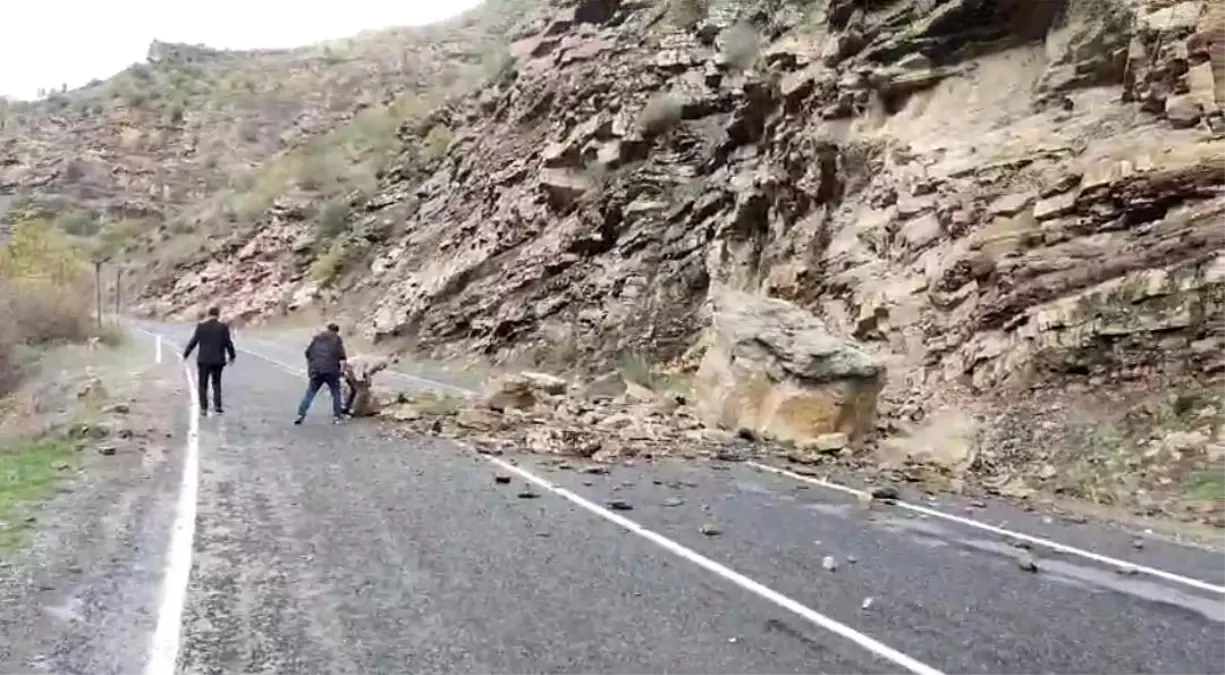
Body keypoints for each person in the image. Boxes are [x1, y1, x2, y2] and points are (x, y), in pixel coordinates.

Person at [182, 306, 236, 416]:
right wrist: (232, 356)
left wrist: (186, 354)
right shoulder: (223, 327)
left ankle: (203, 408)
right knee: (216, 383)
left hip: (203, 360)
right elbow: (228, 343)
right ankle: (217, 406)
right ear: (218, 314)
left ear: (208, 314)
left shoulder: (201, 326)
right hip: (218, 360)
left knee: (203, 384)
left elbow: (194, 341)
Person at [295, 322, 347, 425]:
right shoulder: (337, 339)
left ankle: (301, 414)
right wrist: (341, 372)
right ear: (336, 331)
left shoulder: (317, 338)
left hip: (316, 370)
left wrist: (312, 366)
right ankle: (337, 417)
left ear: (327, 329)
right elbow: (342, 358)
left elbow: (307, 353)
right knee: (336, 392)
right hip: (331, 371)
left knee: (311, 392)